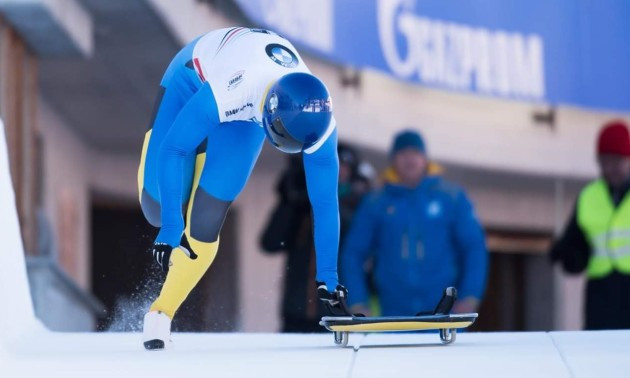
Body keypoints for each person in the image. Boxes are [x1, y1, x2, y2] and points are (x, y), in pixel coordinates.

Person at [137, 27, 346, 350]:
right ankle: (203, 146)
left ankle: (161, 312)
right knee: (158, 205)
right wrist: (170, 226)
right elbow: (173, 149)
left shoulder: (321, 123)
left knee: (205, 220)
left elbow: (324, 203)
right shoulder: (233, 89)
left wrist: (329, 278)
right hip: (193, 80)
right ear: (271, 120)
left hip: (246, 116)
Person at [341, 130, 488, 317]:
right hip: (393, 317)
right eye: (403, 154)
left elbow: (474, 247)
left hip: (444, 316)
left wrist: (470, 295)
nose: (409, 159)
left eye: (415, 153)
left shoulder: (451, 198)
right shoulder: (376, 202)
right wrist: (358, 302)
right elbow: (353, 253)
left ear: (425, 158)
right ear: (393, 160)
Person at [260, 143, 370, 332]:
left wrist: (327, 205)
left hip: (340, 313)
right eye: (331, 164)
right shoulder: (301, 206)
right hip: (296, 313)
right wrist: (290, 199)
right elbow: (270, 243)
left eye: (342, 166)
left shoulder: (361, 206)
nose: (337, 171)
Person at [551, 120, 630, 330]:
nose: (609, 168)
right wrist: (568, 254)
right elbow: (573, 243)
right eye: (604, 161)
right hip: (601, 299)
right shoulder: (588, 197)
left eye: (616, 161)